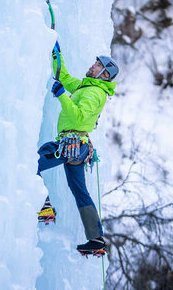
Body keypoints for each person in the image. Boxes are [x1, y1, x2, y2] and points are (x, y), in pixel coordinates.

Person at [37, 44, 118, 254]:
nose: (93, 65)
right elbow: (62, 76)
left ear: (104, 74)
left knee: (32, 162)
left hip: (72, 144)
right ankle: (96, 240)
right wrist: (56, 53)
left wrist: (63, 96)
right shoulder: (85, 86)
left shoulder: (96, 93)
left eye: (97, 64)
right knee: (80, 191)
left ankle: (45, 208)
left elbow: (79, 117)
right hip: (76, 147)